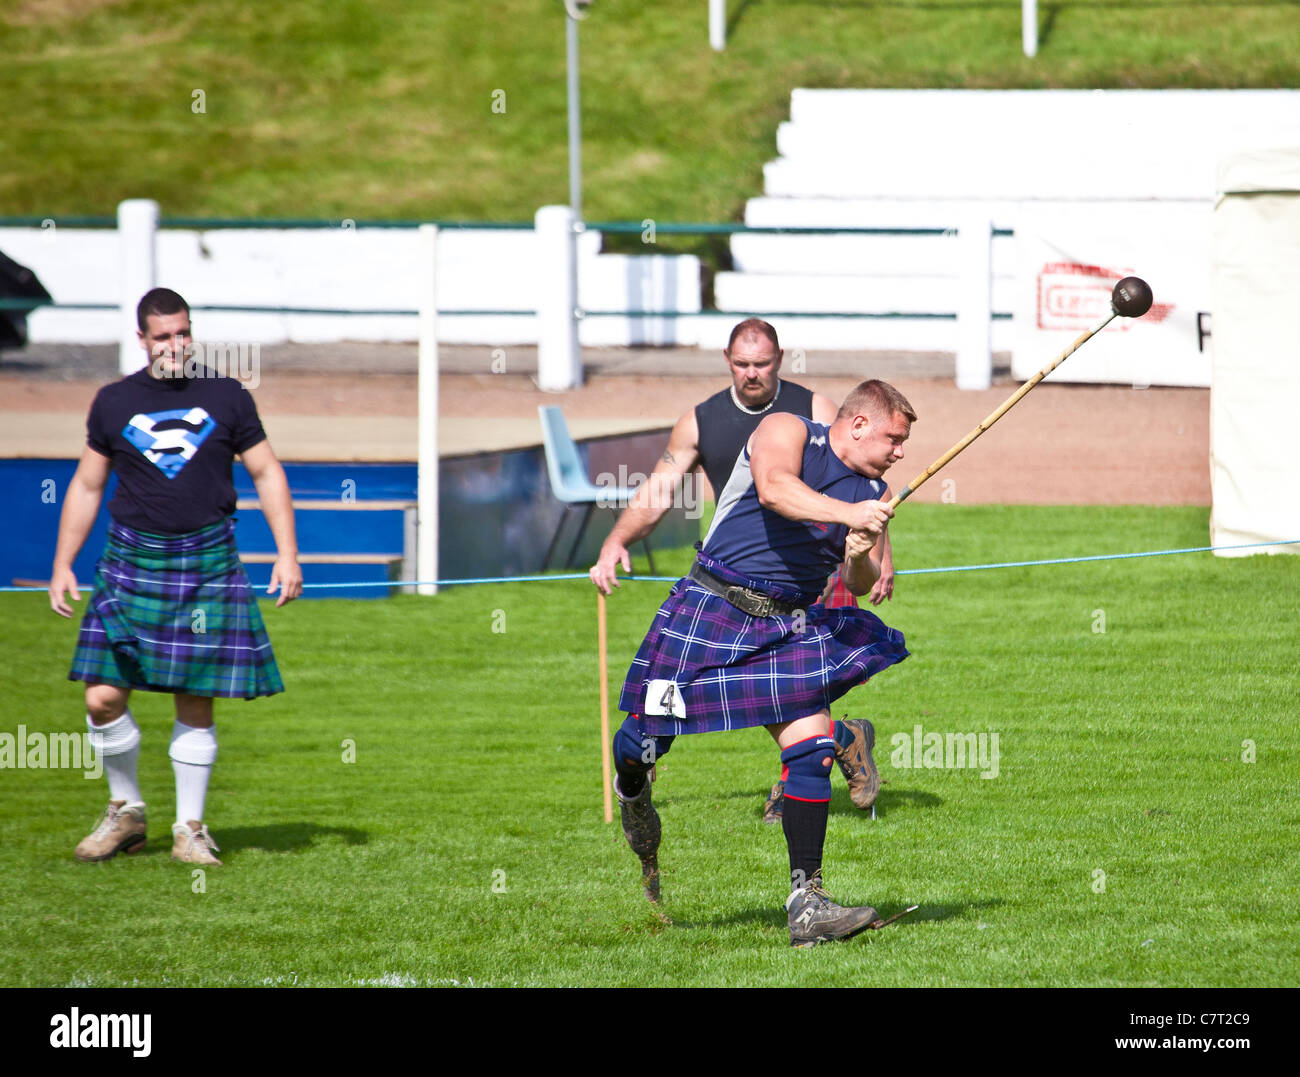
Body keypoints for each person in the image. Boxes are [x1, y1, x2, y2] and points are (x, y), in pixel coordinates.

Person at [610, 379, 916, 947]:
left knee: (813, 751)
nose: (900, 452)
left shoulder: (875, 491)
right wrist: (851, 514)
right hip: (713, 607)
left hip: (786, 625)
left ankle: (807, 903)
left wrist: (858, 553)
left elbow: (859, 580)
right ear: (857, 425)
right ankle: (631, 789)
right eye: (894, 439)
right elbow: (776, 489)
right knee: (645, 741)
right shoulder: (790, 430)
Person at [589, 318, 894, 822]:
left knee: (795, 700)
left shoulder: (812, 410)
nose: (753, 373)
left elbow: (865, 486)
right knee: (678, 713)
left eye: (763, 363)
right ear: (727, 361)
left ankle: (801, 797)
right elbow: (662, 487)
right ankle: (844, 738)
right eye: (742, 364)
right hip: (726, 581)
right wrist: (616, 539)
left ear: (779, 360)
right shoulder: (701, 421)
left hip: (808, 578)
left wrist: (879, 559)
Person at [49, 287, 301, 867]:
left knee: (195, 698)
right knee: (103, 697)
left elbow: (266, 472)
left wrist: (287, 553)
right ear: (142, 339)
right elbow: (88, 485)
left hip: (206, 559)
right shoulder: (113, 402)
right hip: (131, 561)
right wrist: (63, 563)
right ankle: (126, 813)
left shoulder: (226, 396)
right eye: (162, 336)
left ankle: (190, 828)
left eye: (183, 333)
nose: (175, 345)